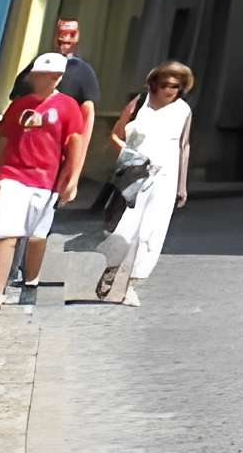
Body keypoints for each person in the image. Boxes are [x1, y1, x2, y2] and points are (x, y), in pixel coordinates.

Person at [0, 54, 89, 312]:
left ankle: (31, 281)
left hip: (46, 180)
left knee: (37, 237)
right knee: (5, 234)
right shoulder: (19, 105)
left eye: (49, 75)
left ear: (58, 78)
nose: (41, 79)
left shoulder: (68, 106)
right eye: (38, 74)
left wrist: (72, 180)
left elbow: (74, 143)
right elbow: (1, 141)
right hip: (13, 176)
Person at [92, 62, 194, 304]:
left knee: (153, 231)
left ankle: (131, 284)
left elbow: (184, 145)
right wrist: (130, 155)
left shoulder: (184, 110)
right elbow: (116, 135)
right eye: (166, 85)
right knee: (126, 228)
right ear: (154, 85)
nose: (171, 91)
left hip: (166, 177)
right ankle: (112, 268)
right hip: (135, 175)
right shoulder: (139, 104)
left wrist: (182, 185)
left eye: (177, 87)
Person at [40, 16, 100, 111]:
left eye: (72, 34)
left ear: (78, 37)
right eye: (61, 33)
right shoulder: (39, 64)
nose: (65, 38)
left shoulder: (84, 71)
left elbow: (88, 110)